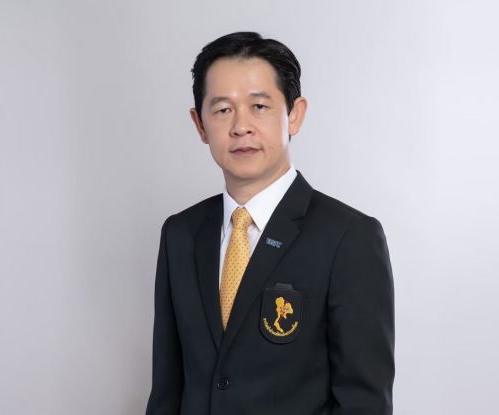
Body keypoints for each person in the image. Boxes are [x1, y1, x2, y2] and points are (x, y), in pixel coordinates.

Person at [145, 31, 395, 415]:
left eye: (259, 106)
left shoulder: (348, 237)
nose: (241, 126)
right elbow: (167, 391)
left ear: (294, 114)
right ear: (200, 124)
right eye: (222, 109)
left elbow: (364, 403)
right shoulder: (181, 234)